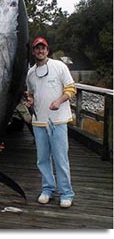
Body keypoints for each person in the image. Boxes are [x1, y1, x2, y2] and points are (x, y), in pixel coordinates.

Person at [26, 36, 76, 208]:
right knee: (42, 159)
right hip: (38, 122)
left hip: (58, 121)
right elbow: (31, 93)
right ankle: (47, 189)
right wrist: (30, 101)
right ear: (33, 52)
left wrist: (59, 101)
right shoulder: (30, 73)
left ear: (48, 50)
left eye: (43, 48)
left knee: (61, 159)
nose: (40, 51)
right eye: (37, 48)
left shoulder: (59, 66)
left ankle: (66, 193)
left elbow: (71, 88)